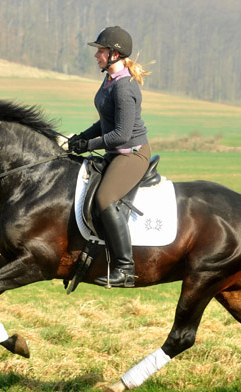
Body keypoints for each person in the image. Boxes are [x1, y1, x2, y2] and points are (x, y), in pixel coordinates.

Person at [68, 26, 151, 288]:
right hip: (115, 150)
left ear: (115, 54)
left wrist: (88, 144)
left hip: (132, 154)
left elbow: (121, 135)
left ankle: (125, 269)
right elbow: (105, 123)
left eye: (101, 51)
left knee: (105, 198)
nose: (97, 56)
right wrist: (79, 138)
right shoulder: (110, 81)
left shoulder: (125, 88)